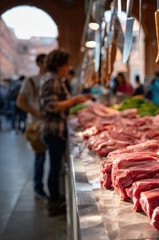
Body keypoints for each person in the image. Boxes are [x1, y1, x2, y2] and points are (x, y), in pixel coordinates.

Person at [40, 49, 91, 216]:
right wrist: (74, 100)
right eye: (66, 64)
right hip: (53, 130)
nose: (68, 67)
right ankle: (53, 202)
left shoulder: (55, 79)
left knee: (56, 166)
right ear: (58, 64)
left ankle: (56, 199)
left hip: (56, 129)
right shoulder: (52, 80)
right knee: (54, 167)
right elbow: (52, 106)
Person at [16, 53, 48, 199]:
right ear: (39, 63)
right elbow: (20, 101)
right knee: (40, 157)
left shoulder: (53, 79)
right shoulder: (31, 80)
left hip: (51, 124)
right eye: (45, 62)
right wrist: (36, 112)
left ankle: (55, 190)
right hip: (36, 124)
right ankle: (38, 187)